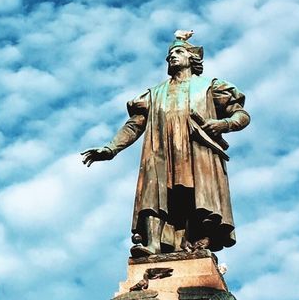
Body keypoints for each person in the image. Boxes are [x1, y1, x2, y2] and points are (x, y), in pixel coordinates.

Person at [81, 31, 249, 258]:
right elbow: (134, 125)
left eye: (178, 52)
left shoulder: (210, 86)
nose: (172, 57)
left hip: (196, 150)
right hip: (160, 150)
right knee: (153, 192)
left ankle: (195, 241)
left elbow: (241, 115)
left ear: (192, 58)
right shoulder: (154, 93)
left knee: (195, 194)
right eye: (170, 54)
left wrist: (223, 124)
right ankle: (153, 245)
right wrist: (111, 148)